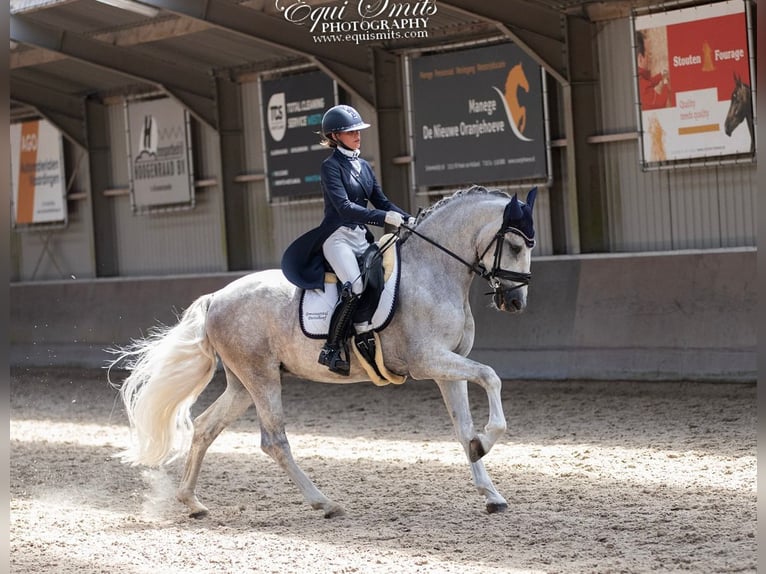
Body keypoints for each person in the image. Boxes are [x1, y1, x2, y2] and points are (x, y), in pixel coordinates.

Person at [281, 104, 414, 375]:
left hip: (360, 236)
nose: (357, 135)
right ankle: (331, 347)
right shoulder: (330, 167)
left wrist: (409, 219)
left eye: (358, 130)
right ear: (335, 136)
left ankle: (364, 328)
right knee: (354, 286)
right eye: (350, 131)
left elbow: (381, 200)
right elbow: (344, 208)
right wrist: (385, 219)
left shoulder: (363, 166)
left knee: (380, 278)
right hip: (337, 236)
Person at [636, 30, 672, 110]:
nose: (650, 58)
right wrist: (665, 83)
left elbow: (649, 83)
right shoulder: (641, 84)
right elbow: (660, 103)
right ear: (640, 59)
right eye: (649, 54)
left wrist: (661, 75)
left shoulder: (639, 80)